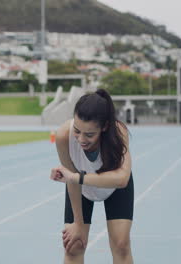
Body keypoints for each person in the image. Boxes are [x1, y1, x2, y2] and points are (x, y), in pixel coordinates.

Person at [50, 89, 134, 264]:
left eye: (89, 135)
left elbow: (122, 179)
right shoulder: (63, 135)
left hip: (114, 187)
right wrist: (78, 224)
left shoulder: (119, 132)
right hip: (80, 189)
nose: (81, 139)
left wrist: (76, 177)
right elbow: (72, 182)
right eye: (77, 131)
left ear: (104, 127)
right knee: (74, 246)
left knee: (121, 244)